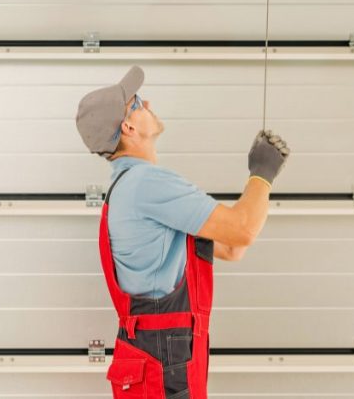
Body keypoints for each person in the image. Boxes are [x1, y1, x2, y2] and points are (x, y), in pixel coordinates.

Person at [74, 65, 290, 399]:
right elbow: (243, 230)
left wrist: (258, 183)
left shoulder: (128, 189)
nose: (148, 104)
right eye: (138, 101)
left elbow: (233, 248)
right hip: (165, 355)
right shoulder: (147, 184)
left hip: (158, 352)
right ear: (128, 126)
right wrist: (262, 173)